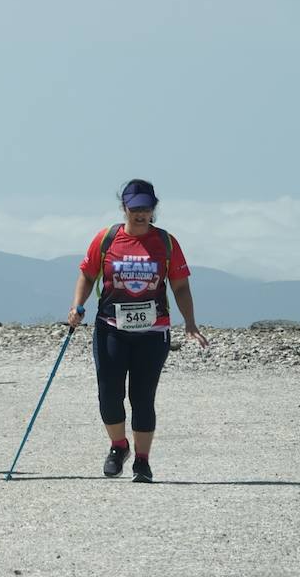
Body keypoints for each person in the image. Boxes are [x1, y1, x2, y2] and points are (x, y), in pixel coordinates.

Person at [68, 179, 209, 483]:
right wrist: (77, 306)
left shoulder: (166, 243)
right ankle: (119, 447)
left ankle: (142, 462)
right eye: (135, 208)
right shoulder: (106, 240)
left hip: (152, 332)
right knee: (109, 394)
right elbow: (88, 274)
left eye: (146, 208)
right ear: (125, 208)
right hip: (111, 329)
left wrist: (190, 323)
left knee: (142, 397)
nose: (141, 214)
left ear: (153, 208)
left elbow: (181, 286)